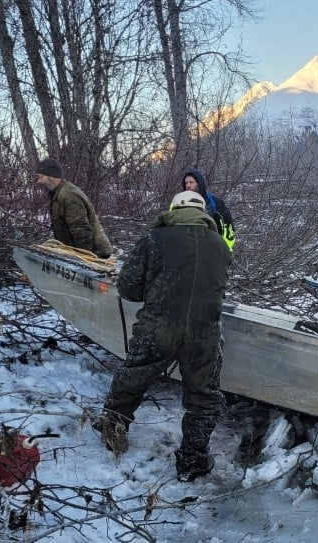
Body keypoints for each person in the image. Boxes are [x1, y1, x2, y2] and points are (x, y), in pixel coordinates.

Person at [95, 190, 231, 482]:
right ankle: (192, 462)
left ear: (173, 210)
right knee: (204, 398)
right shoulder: (220, 245)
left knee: (133, 377)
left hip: (159, 327)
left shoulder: (154, 239)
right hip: (205, 334)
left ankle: (114, 430)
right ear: (203, 214)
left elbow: (129, 288)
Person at [35, 157, 113, 258]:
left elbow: (81, 231)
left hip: (95, 256)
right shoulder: (58, 194)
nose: (39, 181)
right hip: (79, 254)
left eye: (41, 177)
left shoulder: (69, 196)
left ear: (52, 176)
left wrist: (83, 259)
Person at [183, 169, 236, 252]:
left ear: (199, 183)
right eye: (186, 183)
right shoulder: (179, 204)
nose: (188, 185)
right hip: (188, 253)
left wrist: (226, 252)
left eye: (191, 182)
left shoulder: (216, 204)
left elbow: (228, 229)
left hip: (213, 252)